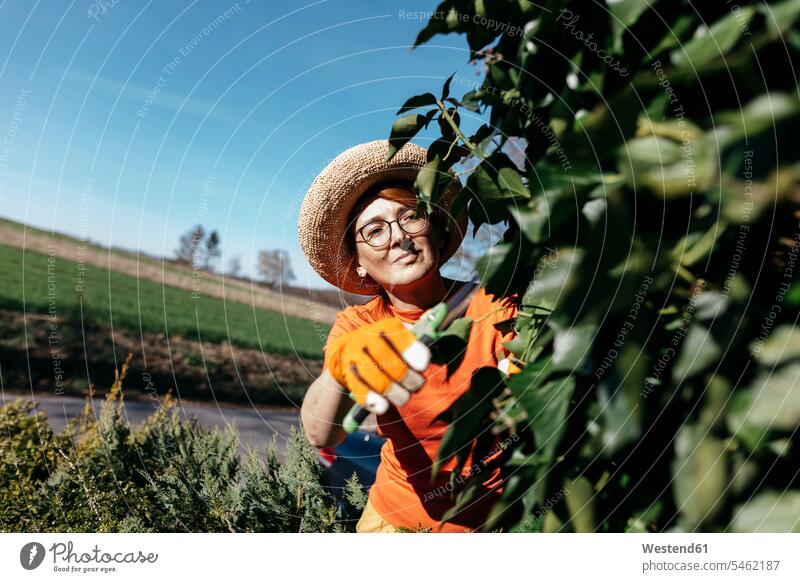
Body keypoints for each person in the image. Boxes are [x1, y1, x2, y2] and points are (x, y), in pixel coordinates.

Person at [298, 140, 519, 533]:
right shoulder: (358, 327)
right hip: (394, 525)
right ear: (359, 264)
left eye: (411, 216)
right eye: (375, 230)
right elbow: (320, 431)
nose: (399, 237)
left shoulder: (495, 305)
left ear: (435, 227)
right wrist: (342, 368)